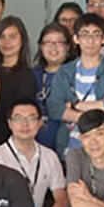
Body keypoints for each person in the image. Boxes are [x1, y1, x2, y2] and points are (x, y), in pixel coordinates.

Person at [48, 13, 104, 153]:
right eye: (85, 34)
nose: (90, 40)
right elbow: (54, 109)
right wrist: (97, 108)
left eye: (96, 34)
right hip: (71, 147)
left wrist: (75, 106)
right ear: (76, 39)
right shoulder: (64, 72)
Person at [0, 16, 37, 147]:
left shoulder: (27, 76)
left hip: (14, 143)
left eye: (12, 37)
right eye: (2, 37)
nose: (7, 42)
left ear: (22, 39)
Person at [32, 22, 73, 151]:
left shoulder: (75, 75)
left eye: (59, 43)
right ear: (41, 47)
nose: (53, 47)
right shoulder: (32, 75)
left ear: (68, 47)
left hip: (67, 146)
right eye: (48, 42)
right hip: (34, 145)